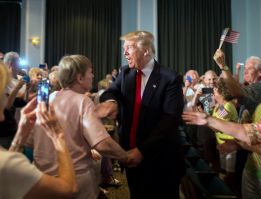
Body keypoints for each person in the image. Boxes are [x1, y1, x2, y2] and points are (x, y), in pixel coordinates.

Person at [182, 68, 261, 199]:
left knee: (228, 175)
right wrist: (208, 119)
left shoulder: (227, 107)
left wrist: (238, 143)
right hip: (251, 168)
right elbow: (254, 131)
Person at [25, 55, 131, 199]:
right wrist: (126, 157)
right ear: (80, 78)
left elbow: (30, 142)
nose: (93, 76)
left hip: (42, 182)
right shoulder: (83, 101)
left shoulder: (46, 99)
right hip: (75, 182)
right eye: (90, 72)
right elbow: (102, 144)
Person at [96, 30, 185, 199]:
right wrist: (111, 102)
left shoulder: (170, 78)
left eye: (129, 48)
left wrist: (142, 150)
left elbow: (170, 120)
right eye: (124, 48)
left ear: (146, 50)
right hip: (130, 158)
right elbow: (110, 92)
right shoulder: (125, 73)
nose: (125, 53)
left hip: (161, 161)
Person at [0, 61, 77, 198]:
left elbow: (6, 177)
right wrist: (58, 136)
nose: (6, 100)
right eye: (4, 93)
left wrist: (20, 136)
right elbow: (68, 188)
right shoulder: (5, 163)